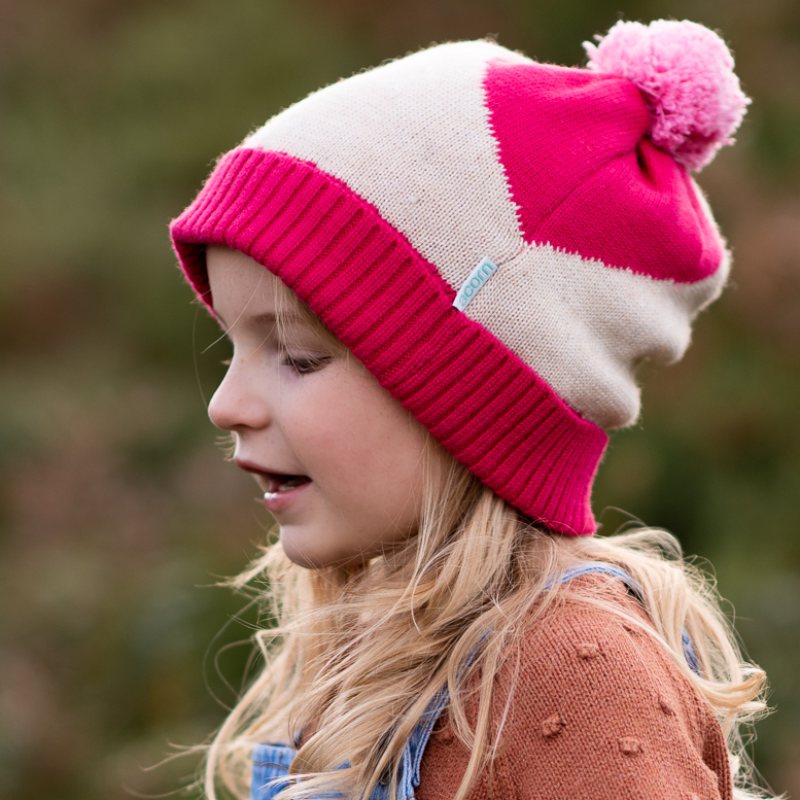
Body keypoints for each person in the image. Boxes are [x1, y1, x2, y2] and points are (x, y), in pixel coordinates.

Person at [169, 18, 771, 800]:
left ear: (470, 395)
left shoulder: (569, 672)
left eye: (299, 356)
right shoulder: (377, 652)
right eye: (232, 349)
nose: (227, 405)